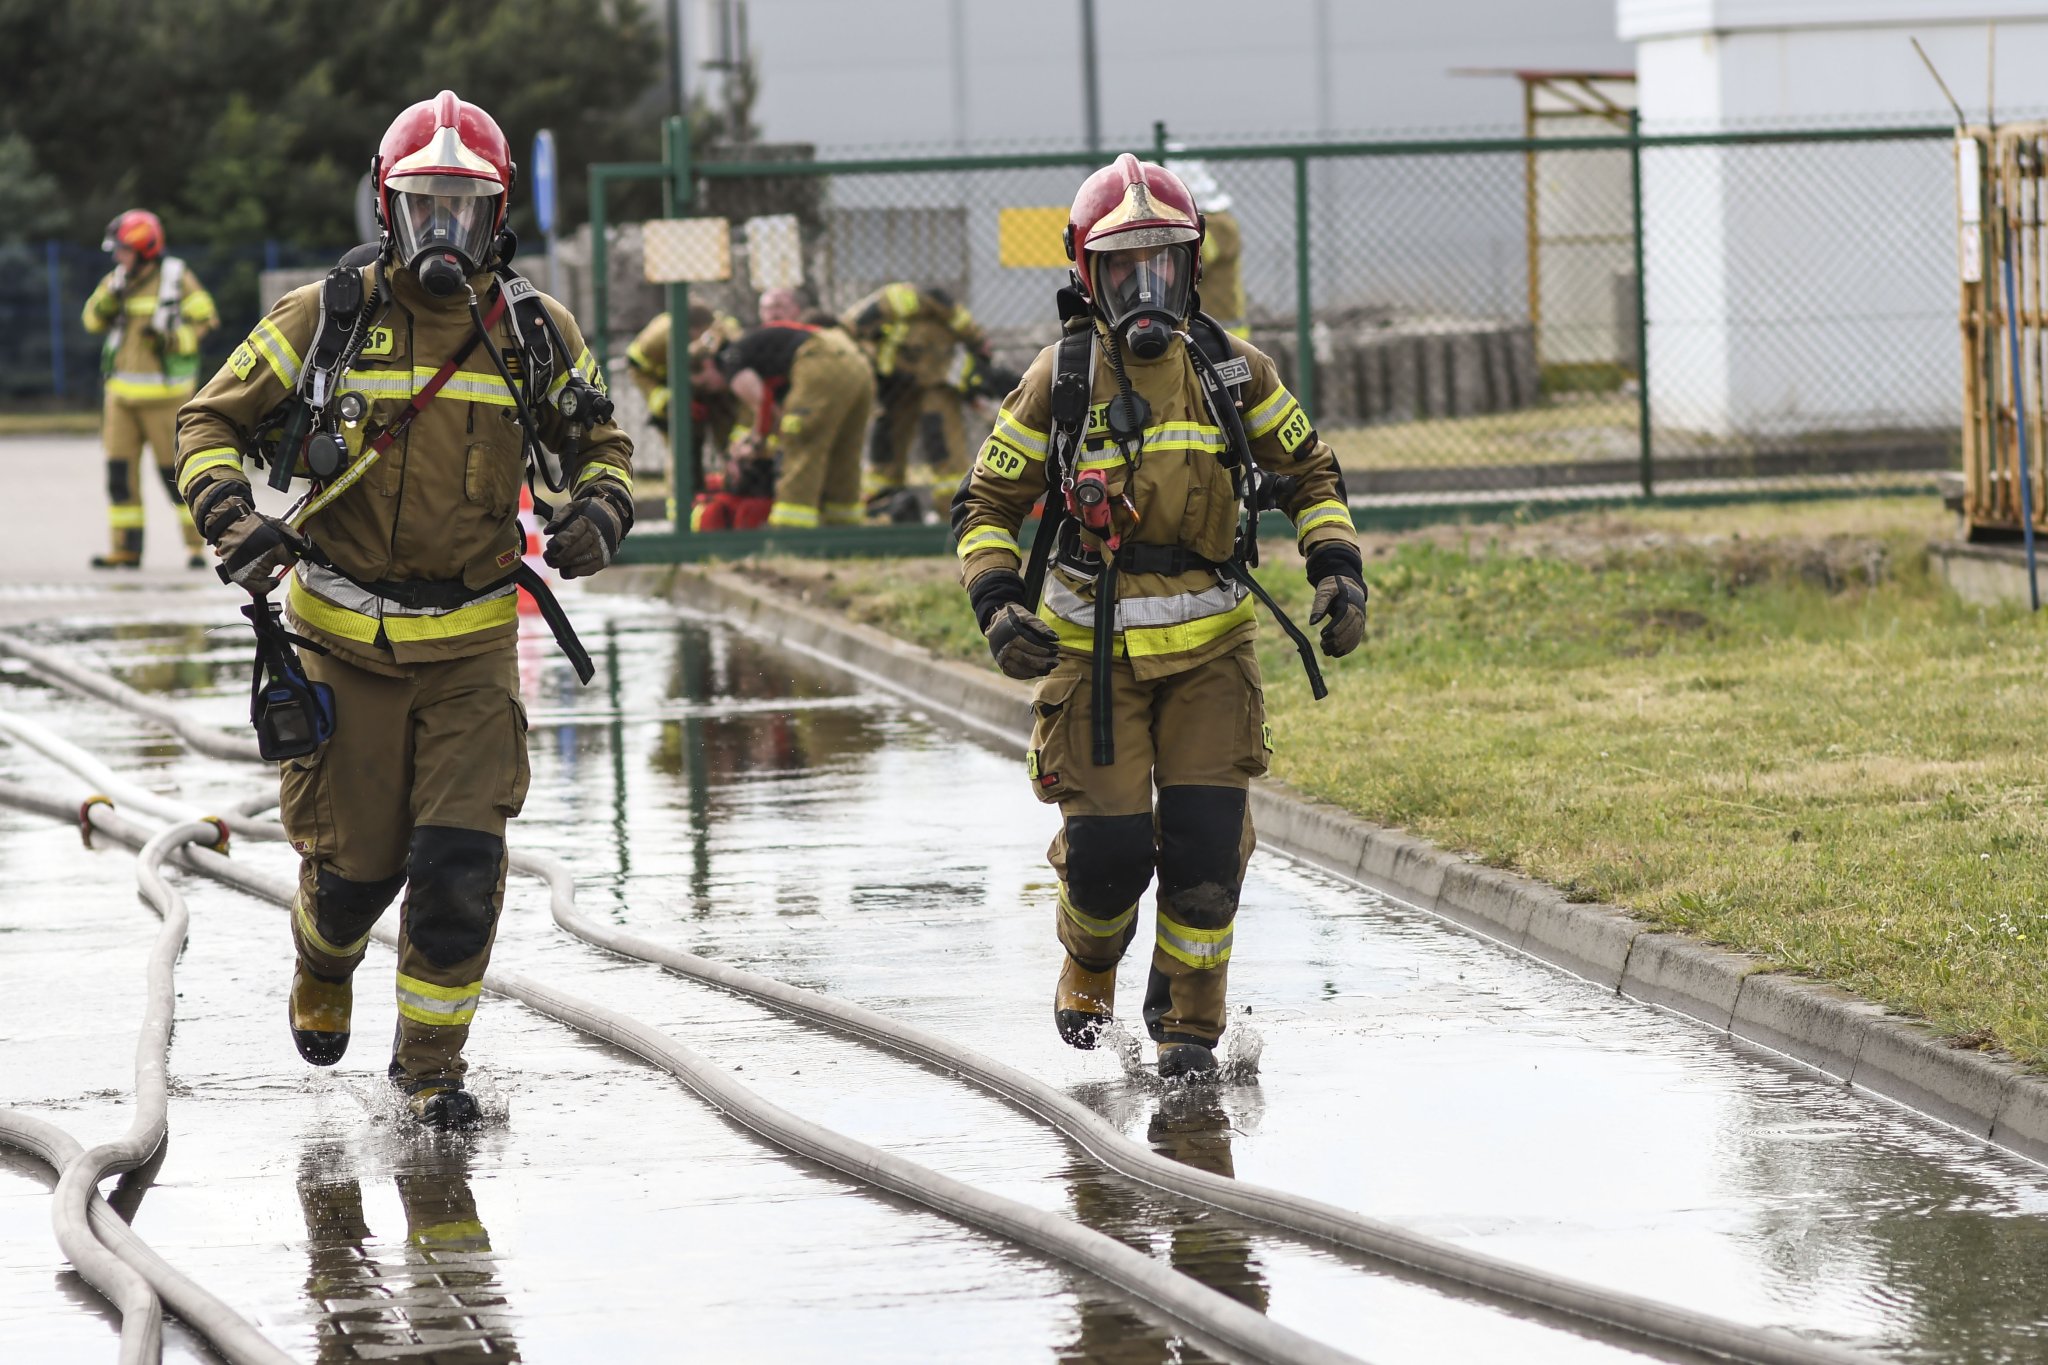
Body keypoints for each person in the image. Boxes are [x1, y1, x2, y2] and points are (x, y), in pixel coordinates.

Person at [175, 91, 634, 1128]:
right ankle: (323, 956)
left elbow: (600, 444)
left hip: (472, 650)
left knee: (460, 870)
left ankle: (430, 1071)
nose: (444, 232)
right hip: (343, 646)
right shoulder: (324, 319)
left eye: (464, 210)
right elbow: (206, 421)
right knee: (354, 874)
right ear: (387, 208)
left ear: (497, 214)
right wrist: (230, 513)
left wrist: (601, 510)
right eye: (426, 207)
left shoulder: (532, 331)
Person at [951, 155, 1367, 1080]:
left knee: (1207, 855)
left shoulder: (1233, 371)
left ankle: (1189, 1029)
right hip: (1091, 659)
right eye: (1124, 268)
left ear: (1191, 267)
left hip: (1214, 654)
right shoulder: (1060, 379)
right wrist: (998, 601)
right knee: (1106, 859)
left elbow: (1310, 473)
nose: (1147, 288)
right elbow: (984, 504)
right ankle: (1089, 959)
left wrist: (1338, 569)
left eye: (1163, 263)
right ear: (1088, 275)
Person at [82, 210, 219, 568]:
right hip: (120, 398)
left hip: (166, 399)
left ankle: (195, 547)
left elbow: (206, 321)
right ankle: (125, 549)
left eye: (123, 250)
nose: (117, 256)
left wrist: (171, 340)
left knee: (174, 476)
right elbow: (91, 320)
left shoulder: (176, 278)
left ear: (145, 250)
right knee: (119, 476)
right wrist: (110, 298)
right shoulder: (116, 280)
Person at [840, 282, 994, 522]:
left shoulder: (893, 309)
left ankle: (955, 512)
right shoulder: (860, 334)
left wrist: (977, 342)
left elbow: (955, 319)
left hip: (935, 380)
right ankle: (884, 504)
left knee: (941, 441)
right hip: (898, 384)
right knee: (887, 443)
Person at [715, 311, 873, 529]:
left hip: (820, 358)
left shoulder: (729, 361)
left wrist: (757, 442)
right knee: (843, 449)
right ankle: (843, 525)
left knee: (801, 441)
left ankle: (790, 529)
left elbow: (763, 405)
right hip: (854, 359)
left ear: (708, 365)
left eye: (704, 383)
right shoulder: (764, 355)